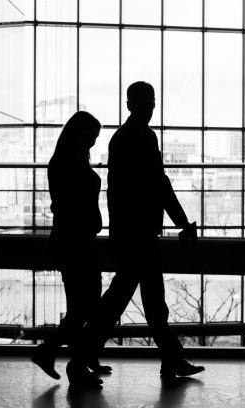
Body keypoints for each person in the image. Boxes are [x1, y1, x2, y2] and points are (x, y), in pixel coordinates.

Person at [85, 81, 205, 379]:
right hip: (141, 234)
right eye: (148, 102)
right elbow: (159, 184)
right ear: (138, 105)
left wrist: (116, 234)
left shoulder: (120, 139)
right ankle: (169, 359)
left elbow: (117, 192)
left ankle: (87, 350)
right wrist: (182, 222)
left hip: (129, 233)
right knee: (148, 300)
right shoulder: (144, 137)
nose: (150, 108)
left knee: (125, 297)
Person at [31, 111, 103, 388]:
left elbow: (61, 204)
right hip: (77, 242)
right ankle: (62, 358)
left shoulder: (63, 161)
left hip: (72, 240)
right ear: (80, 134)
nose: (93, 143)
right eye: (92, 137)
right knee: (86, 304)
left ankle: (58, 357)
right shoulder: (69, 163)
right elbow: (72, 205)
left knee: (80, 306)